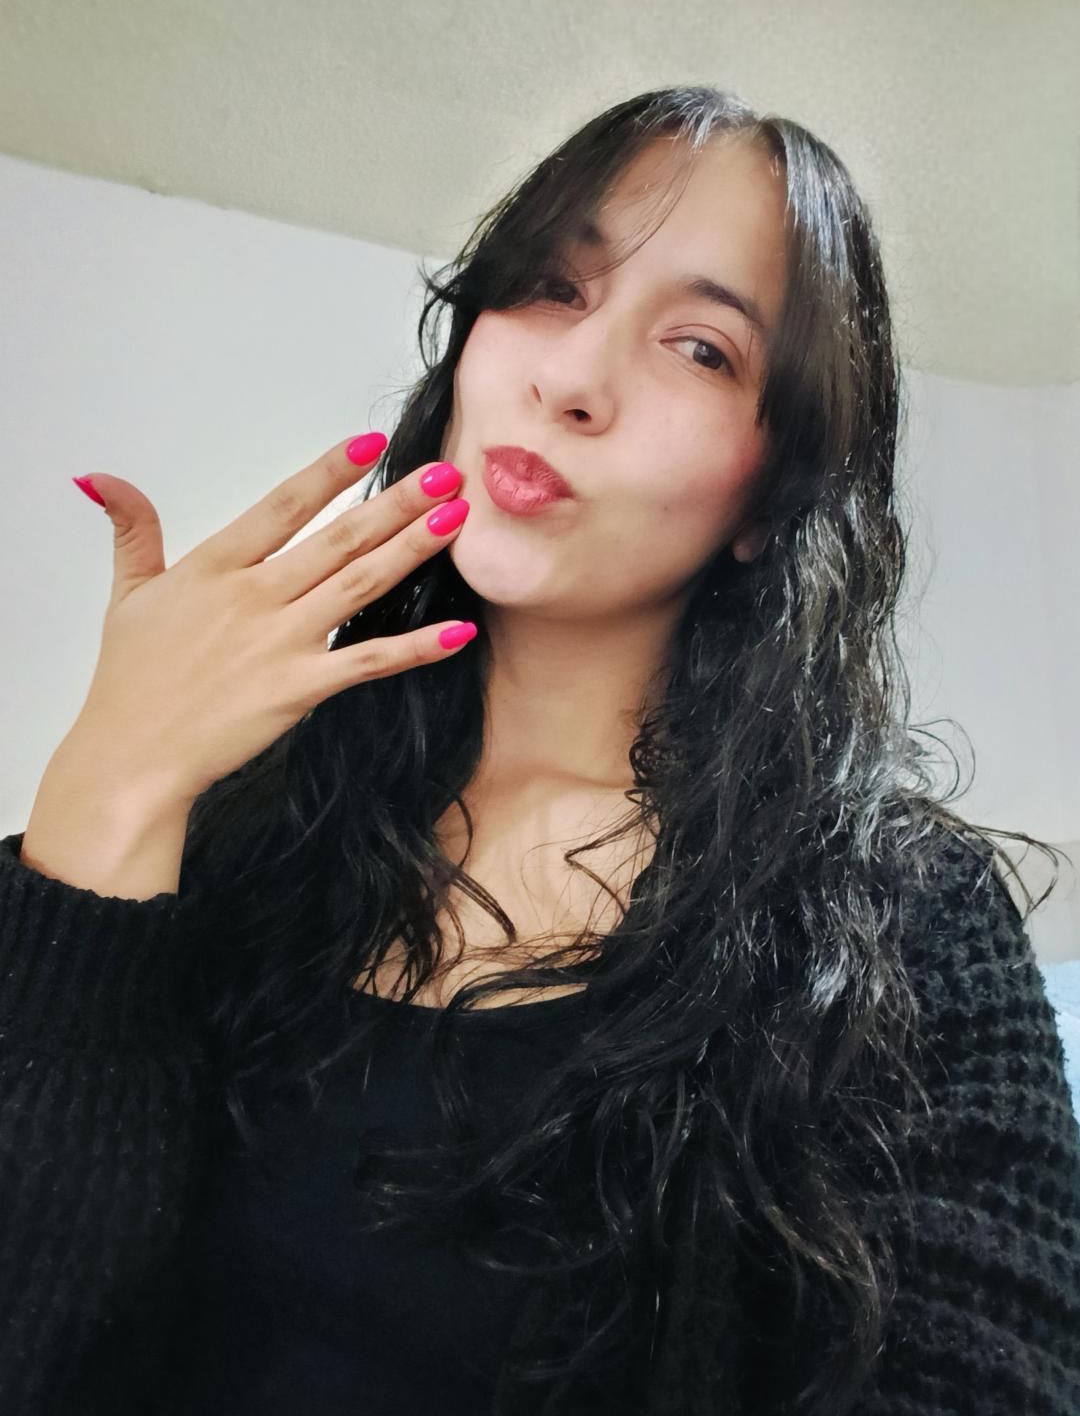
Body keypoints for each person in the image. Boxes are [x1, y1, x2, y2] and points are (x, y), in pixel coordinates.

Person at [2, 84, 1079, 1416]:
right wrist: (108, 788)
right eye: (554, 289)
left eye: (701, 349)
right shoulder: (239, 821)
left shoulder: (905, 925)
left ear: (770, 498)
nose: (571, 380)